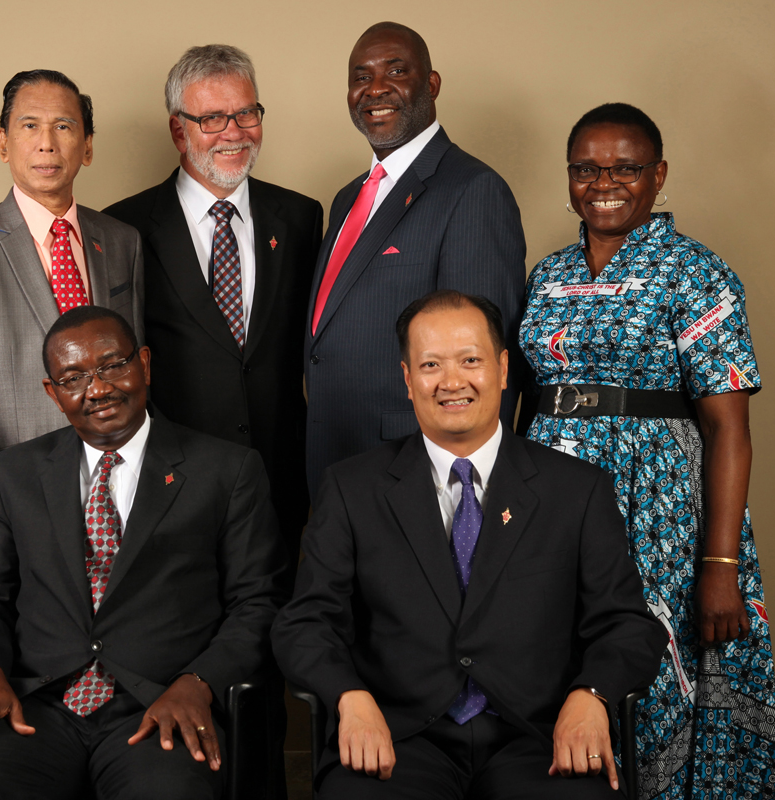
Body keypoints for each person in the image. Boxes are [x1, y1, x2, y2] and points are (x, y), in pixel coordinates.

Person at [272, 291, 667, 798]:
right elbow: (305, 622)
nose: (452, 382)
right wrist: (349, 698)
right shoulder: (352, 488)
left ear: (503, 369)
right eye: (431, 364)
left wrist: (591, 696)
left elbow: (628, 624)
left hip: (538, 736)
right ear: (407, 378)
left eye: (471, 361)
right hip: (398, 735)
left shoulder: (577, 489)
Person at [517, 103, 775, 799]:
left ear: (658, 174)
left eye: (625, 168)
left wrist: (720, 564)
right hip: (550, 496)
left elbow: (729, 428)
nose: (604, 181)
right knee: (557, 659)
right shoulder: (546, 275)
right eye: (586, 167)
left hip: (658, 512)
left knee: (652, 674)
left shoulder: (697, 272)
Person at [0, 307, 287, 800]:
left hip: (161, 703)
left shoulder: (226, 471)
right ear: (52, 394)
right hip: (37, 706)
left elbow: (259, 604)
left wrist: (199, 682)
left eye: (113, 365)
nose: (97, 389)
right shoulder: (13, 474)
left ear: (143, 363)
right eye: (73, 377)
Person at [0, 70, 145, 572]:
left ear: (86, 146)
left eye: (64, 127)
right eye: (29, 126)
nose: (46, 143)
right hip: (20, 512)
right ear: (3, 143)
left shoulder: (122, 241)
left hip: (125, 495)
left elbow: (138, 374)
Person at [104, 44, 323, 561]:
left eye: (246, 112)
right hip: (174, 481)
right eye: (212, 118)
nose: (235, 131)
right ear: (179, 131)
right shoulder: (125, 228)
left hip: (282, 481)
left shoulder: (300, 218)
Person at [304, 21, 526, 500]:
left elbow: (483, 368)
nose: (375, 88)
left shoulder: (473, 190)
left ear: (431, 84)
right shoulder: (348, 199)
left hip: (417, 473)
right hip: (337, 460)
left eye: (396, 71)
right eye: (360, 76)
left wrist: (468, 492)